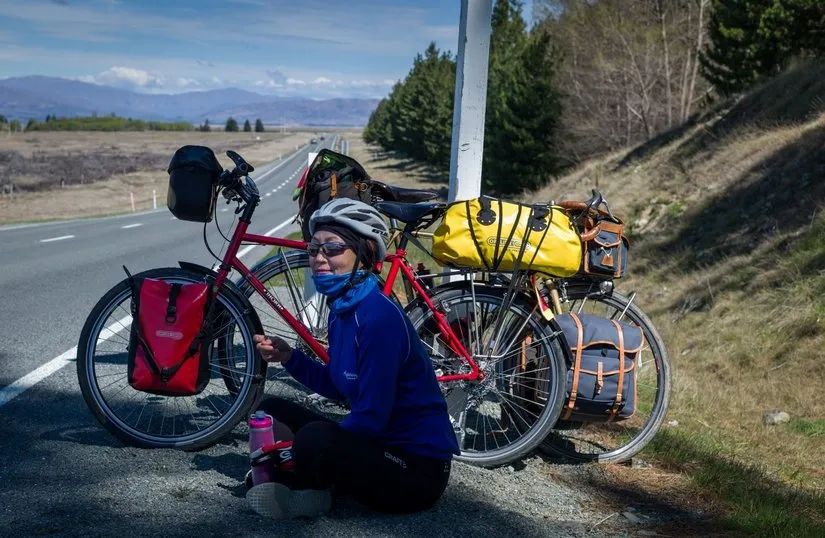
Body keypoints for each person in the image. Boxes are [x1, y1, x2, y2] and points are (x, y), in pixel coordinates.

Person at [248, 198, 459, 518]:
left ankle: (309, 493)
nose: (318, 258)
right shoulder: (342, 310)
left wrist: (297, 450)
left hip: (416, 470)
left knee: (314, 440)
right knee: (270, 408)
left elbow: (371, 416)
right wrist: (289, 357)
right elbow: (340, 385)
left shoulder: (377, 317)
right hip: (380, 446)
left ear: (364, 254)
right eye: (313, 248)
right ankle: (294, 475)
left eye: (332, 248)